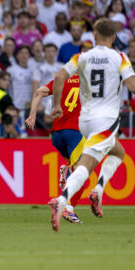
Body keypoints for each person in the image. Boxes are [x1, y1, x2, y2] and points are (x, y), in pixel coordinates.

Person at [49, 19, 135, 231]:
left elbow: (59, 77)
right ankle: (62, 201)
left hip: (84, 120)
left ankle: (98, 190)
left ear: (95, 36)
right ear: (114, 38)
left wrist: (57, 105)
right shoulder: (120, 57)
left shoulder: (82, 57)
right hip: (105, 121)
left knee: (118, 152)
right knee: (86, 166)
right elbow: (134, 87)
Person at [26, 71, 85, 224]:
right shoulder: (90, 81)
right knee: (83, 172)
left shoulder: (60, 81)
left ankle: (67, 169)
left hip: (57, 134)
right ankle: (68, 208)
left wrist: (32, 115)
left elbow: (38, 92)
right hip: (75, 132)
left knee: (75, 166)